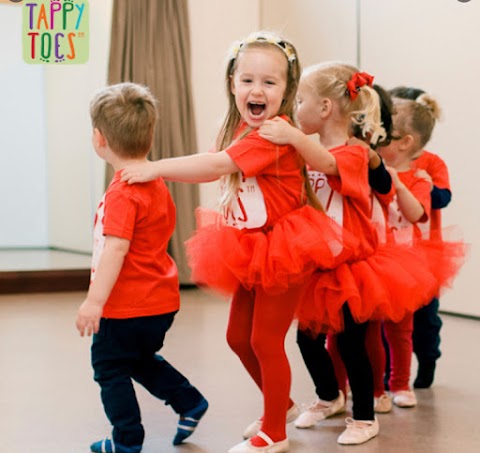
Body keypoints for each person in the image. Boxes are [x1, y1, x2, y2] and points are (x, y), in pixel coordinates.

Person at [121, 32, 356, 453]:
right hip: (251, 245)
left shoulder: (275, 131)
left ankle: (275, 434)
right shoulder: (237, 127)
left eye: (270, 82)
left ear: (286, 91)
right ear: (233, 82)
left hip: (286, 248)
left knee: (266, 340)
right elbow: (218, 162)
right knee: (236, 337)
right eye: (248, 80)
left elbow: (214, 167)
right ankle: (277, 404)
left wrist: (153, 167)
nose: (257, 90)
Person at [258, 63, 451, 445]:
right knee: (307, 340)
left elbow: (329, 164)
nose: (296, 109)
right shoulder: (306, 149)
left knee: (351, 343)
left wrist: (293, 136)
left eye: (302, 102)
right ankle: (330, 396)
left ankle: (364, 416)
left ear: (326, 107)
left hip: (351, 265)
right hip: (317, 262)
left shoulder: (355, 153)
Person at [75, 82, 208, 453]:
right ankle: (189, 402)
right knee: (137, 359)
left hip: (126, 305)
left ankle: (126, 442)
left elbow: (116, 249)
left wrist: (94, 302)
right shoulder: (155, 182)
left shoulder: (123, 192)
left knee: (109, 366)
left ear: (99, 139)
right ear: (149, 135)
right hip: (160, 302)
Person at [390, 86, 452, 388]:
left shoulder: (432, 162)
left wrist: (425, 186)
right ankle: (392, 373)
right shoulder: (383, 159)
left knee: (426, 319)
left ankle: (428, 360)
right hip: (390, 253)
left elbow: (443, 198)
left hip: (425, 254)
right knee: (389, 317)